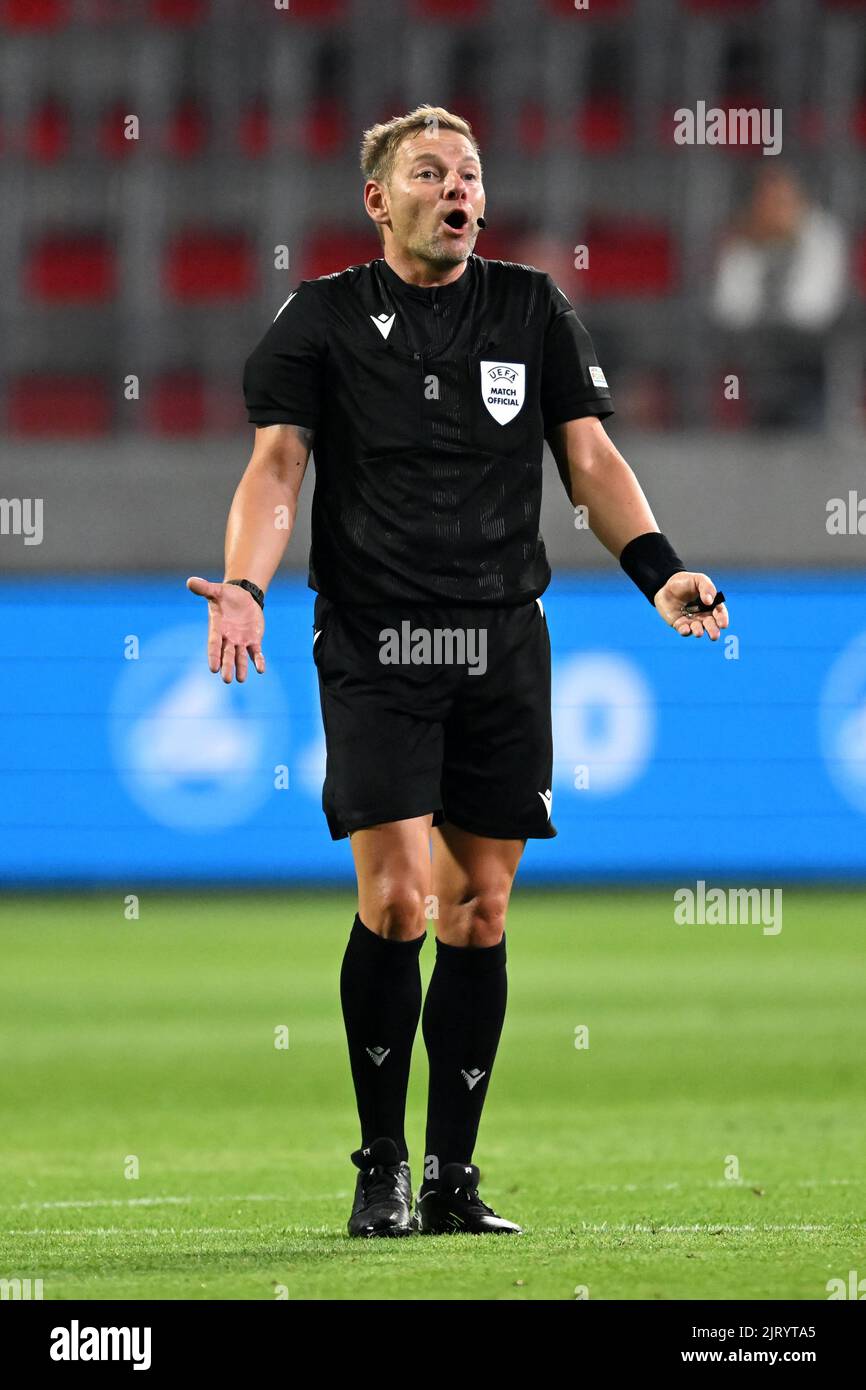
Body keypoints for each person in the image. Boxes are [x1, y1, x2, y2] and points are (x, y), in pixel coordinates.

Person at [188, 104, 728, 1239]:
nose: (458, 190)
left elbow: (588, 459)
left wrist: (658, 569)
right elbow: (276, 467)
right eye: (429, 173)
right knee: (395, 902)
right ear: (378, 200)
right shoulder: (322, 319)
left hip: (498, 641)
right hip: (378, 641)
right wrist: (244, 582)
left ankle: (451, 1179)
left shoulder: (529, 308)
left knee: (476, 912)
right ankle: (378, 1164)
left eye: (470, 174)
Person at [711, 164, 847, 427]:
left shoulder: (823, 236)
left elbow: (813, 307)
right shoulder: (740, 238)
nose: (775, 209)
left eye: (784, 201)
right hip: (753, 345)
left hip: (810, 346)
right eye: (767, 201)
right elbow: (729, 307)